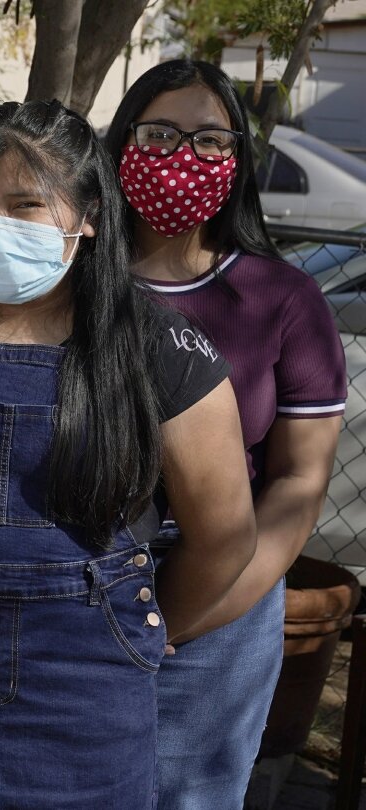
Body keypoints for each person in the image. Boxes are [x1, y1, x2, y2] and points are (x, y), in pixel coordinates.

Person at [0, 100, 257, 806]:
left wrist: (141, 630)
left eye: (27, 205)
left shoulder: (161, 349)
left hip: (87, 695)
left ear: (88, 214)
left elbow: (224, 535)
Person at [104, 60, 347, 809]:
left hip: (222, 608)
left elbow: (298, 484)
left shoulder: (285, 298)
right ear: (121, 147)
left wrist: (188, 613)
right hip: (81, 584)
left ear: (238, 158)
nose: (185, 156)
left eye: (211, 140)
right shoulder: (73, 284)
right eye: (160, 134)